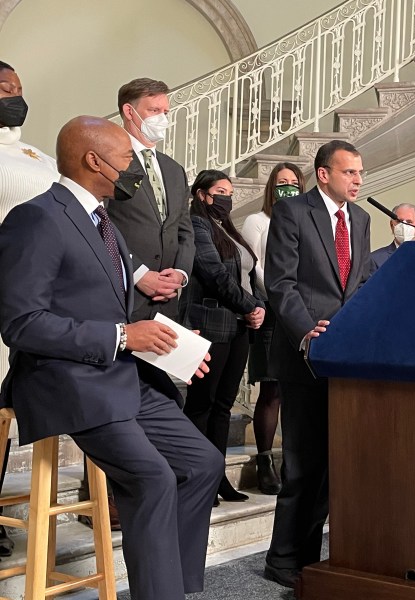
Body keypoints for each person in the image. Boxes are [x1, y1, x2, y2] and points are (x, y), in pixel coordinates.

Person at [0, 116, 223, 600]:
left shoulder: (102, 218)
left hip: (124, 374)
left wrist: (175, 345)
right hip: (67, 378)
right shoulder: (36, 218)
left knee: (204, 463)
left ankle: (174, 589)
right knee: (152, 477)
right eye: (126, 159)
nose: (133, 169)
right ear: (94, 161)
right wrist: (125, 336)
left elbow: (118, 303)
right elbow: (20, 324)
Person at [263, 139, 372, 588]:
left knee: (333, 463)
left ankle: (311, 556)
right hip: (303, 353)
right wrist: (307, 330)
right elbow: (280, 282)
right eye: (350, 173)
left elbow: (360, 282)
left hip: (345, 358)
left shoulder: (361, 220)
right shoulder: (293, 212)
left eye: (361, 173)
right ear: (324, 174)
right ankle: (283, 558)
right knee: (303, 464)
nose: (359, 181)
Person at [0, 59, 59, 556]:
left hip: (31, 297)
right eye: (3, 87)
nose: (14, 95)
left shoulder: (33, 151)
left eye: (18, 87)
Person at [181, 170, 265, 505]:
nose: (227, 197)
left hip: (239, 326)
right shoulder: (197, 225)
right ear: (202, 195)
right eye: (220, 191)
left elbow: (248, 276)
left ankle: (217, 479)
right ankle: (197, 480)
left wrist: (257, 306)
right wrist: (249, 307)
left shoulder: (226, 228)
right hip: (213, 322)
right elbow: (213, 274)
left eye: (230, 191)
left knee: (223, 408)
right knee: (201, 405)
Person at [107, 77, 194, 325]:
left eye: (165, 112)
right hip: (123, 298)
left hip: (166, 305)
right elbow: (99, 223)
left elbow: (184, 229)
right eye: (154, 111)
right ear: (129, 111)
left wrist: (180, 273)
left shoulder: (174, 169)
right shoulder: (109, 159)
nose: (162, 119)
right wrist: (137, 274)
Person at [241, 162, 305, 495]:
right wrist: (284, 297)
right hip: (272, 311)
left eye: (294, 183)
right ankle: (264, 460)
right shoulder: (258, 221)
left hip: (300, 316)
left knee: (297, 390)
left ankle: (292, 461)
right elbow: (255, 267)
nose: (288, 188)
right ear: (271, 188)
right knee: (271, 390)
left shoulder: (306, 221)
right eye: (282, 183)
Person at [371, 203, 415, 268]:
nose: (404, 226)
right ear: (392, 225)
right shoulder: (375, 259)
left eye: (409, 222)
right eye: (399, 221)